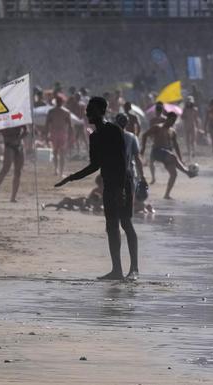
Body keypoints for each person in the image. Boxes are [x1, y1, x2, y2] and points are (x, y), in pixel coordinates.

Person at [55, 96, 138, 280]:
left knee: (125, 223)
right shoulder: (94, 136)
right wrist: (71, 178)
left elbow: (123, 161)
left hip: (123, 182)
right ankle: (117, 270)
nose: (87, 113)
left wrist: (122, 190)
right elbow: (94, 165)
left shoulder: (114, 130)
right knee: (111, 226)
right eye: (87, 110)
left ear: (102, 111)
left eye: (91, 110)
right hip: (108, 184)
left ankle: (134, 269)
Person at [140, 111, 193, 199]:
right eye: (172, 120)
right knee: (172, 156)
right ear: (167, 119)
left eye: (174, 121)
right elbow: (144, 135)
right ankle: (187, 172)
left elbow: (176, 146)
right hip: (157, 152)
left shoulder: (172, 131)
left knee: (174, 174)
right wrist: (143, 148)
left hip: (166, 154)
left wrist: (181, 159)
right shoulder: (157, 127)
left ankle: (166, 194)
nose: (173, 122)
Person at [0, 125, 27, 203]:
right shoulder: (2, 121)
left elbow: (26, 130)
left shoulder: (17, 118)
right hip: (9, 146)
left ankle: (13, 197)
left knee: (18, 172)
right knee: (5, 169)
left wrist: (19, 138)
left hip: (19, 146)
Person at [46, 96, 73, 177]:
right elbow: (70, 125)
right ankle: (60, 172)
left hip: (54, 132)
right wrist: (71, 135)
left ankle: (56, 170)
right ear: (62, 102)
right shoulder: (66, 111)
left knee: (55, 152)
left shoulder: (51, 111)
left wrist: (45, 134)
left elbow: (47, 124)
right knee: (61, 153)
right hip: (62, 133)